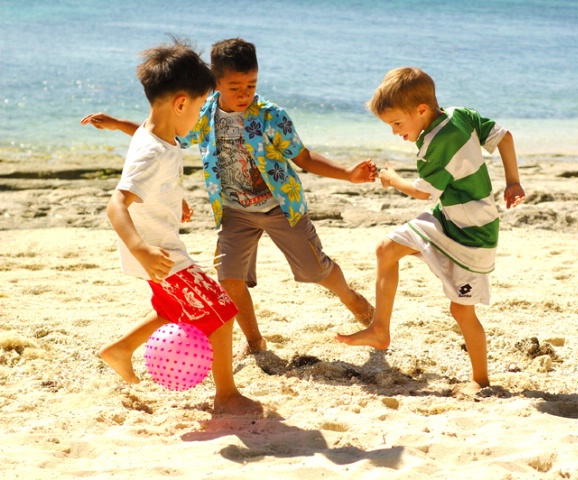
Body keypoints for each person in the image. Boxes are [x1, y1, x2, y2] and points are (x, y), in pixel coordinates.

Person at [81, 37, 377, 357]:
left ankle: (354, 301)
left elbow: (303, 158)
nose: (244, 94)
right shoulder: (204, 115)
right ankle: (254, 342)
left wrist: (347, 174)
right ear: (215, 83)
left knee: (316, 271)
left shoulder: (271, 116)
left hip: (281, 207)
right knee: (229, 278)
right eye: (235, 86)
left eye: (251, 85)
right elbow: (164, 131)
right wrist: (116, 124)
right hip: (234, 211)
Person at [335, 67, 526, 392]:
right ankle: (380, 329)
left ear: (421, 110)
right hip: (446, 215)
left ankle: (480, 382)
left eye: (397, 123)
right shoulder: (459, 115)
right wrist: (513, 181)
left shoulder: (437, 144)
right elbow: (504, 137)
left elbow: (422, 191)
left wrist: (392, 179)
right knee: (387, 249)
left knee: (461, 311)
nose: (395, 132)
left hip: (472, 232)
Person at [98, 37, 261, 415]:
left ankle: (121, 348)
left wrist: (175, 199)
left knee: (179, 308)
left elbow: (154, 175)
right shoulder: (152, 152)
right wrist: (140, 248)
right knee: (221, 311)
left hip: (160, 249)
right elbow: (116, 204)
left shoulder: (156, 134)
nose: (200, 113)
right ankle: (226, 395)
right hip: (159, 254)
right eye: (201, 105)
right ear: (181, 103)